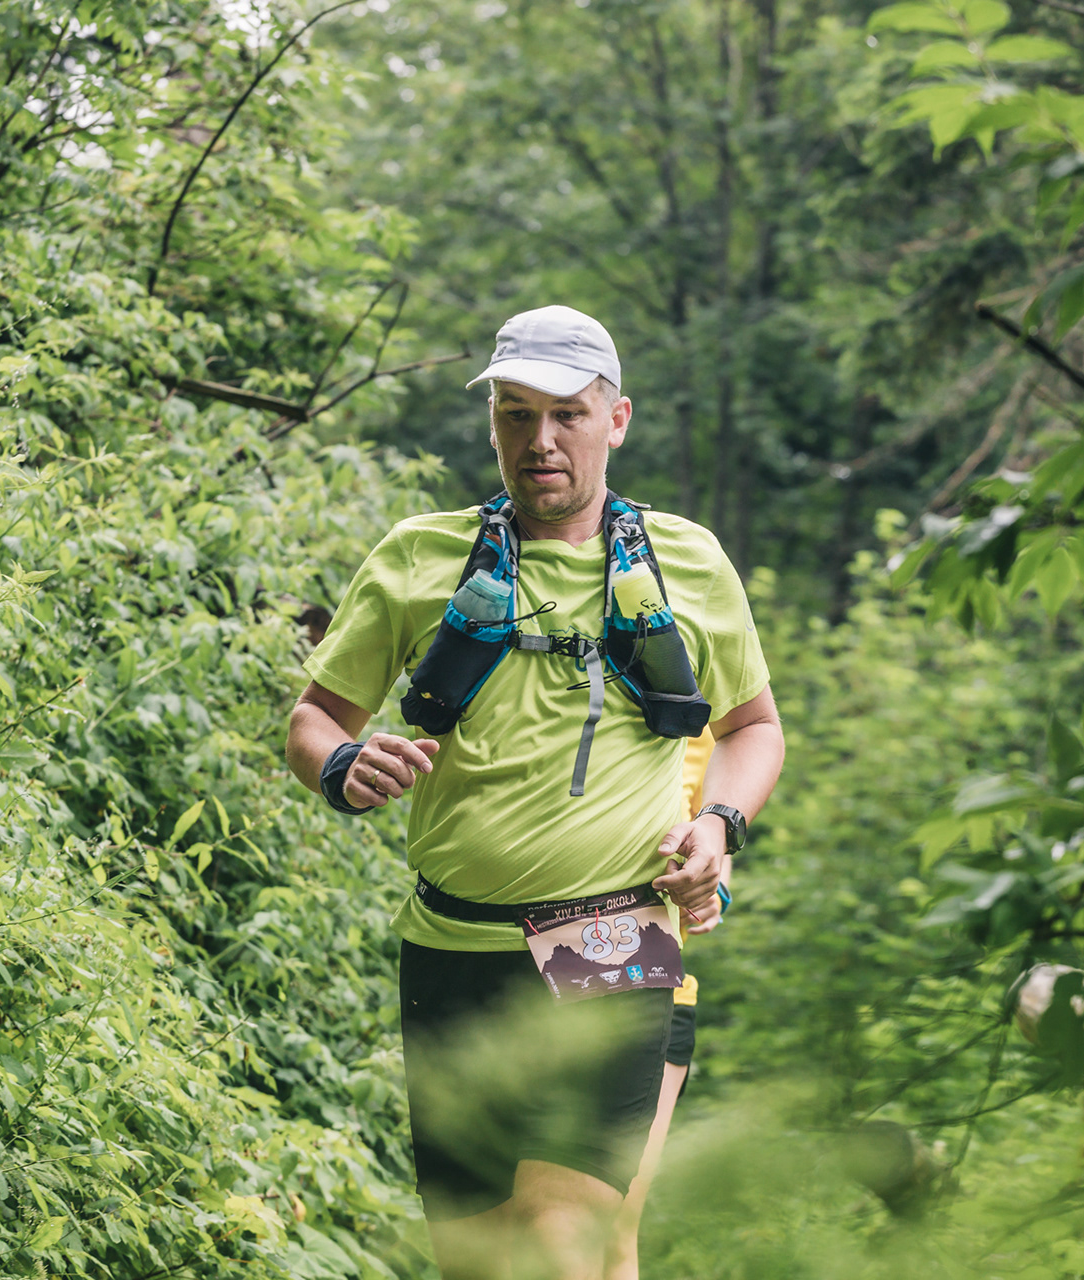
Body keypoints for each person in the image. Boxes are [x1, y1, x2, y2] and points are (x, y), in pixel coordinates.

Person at [285, 305, 784, 1280]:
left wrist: (720, 824)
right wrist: (343, 765)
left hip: (613, 935)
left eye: (566, 415)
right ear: (492, 425)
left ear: (617, 420)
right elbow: (316, 718)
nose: (540, 440)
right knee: (478, 1260)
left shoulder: (688, 561)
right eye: (515, 415)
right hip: (449, 945)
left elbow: (752, 727)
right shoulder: (419, 556)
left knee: (563, 1247)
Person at [602, 728, 724, 1280]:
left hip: (655, 987)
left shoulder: (703, 726)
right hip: (517, 976)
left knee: (613, 1224)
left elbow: (716, 862)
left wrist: (711, 895)